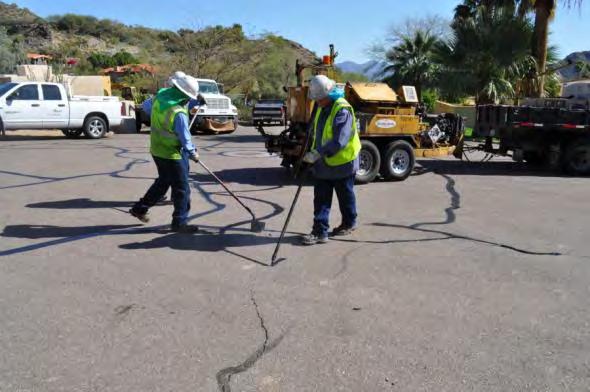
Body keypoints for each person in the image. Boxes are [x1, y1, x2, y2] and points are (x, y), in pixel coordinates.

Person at [129, 71, 201, 233]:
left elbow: (148, 108)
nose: (190, 99)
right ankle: (179, 222)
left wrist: (197, 100)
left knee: (164, 181)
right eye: (189, 96)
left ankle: (140, 208)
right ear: (183, 94)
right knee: (182, 188)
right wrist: (193, 153)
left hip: (157, 149)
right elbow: (185, 137)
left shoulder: (160, 96)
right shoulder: (178, 113)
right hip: (173, 153)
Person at [301, 75, 361, 245]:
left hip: (343, 162)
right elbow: (317, 132)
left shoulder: (342, 110)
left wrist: (317, 153)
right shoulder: (321, 106)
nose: (317, 102)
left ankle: (349, 223)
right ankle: (320, 231)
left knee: (345, 196)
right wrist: (310, 150)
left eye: (319, 98)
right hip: (323, 163)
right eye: (316, 99)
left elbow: (339, 141)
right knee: (321, 198)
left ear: (328, 93)